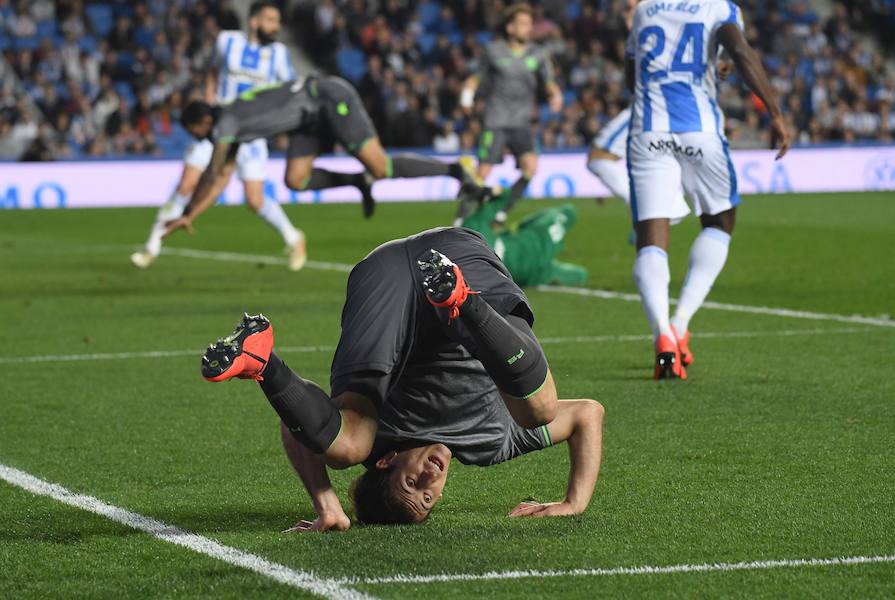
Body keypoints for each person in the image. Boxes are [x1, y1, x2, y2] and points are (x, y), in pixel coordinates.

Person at [198, 229, 605, 529]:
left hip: (393, 272)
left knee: (347, 444)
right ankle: (461, 303)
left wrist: (328, 506)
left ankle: (263, 362)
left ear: (387, 460)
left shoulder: (374, 436)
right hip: (427, 261)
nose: (430, 479)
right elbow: (589, 413)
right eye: (428, 497)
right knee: (540, 408)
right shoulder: (490, 445)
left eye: (412, 482)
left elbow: (296, 430)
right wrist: (574, 502)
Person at [625, 0, 790, 379]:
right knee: (720, 220)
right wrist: (776, 113)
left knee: (651, 234)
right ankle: (680, 324)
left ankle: (661, 334)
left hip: (648, 131)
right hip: (698, 130)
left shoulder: (644, 10)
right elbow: (741, 52)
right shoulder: (719, 8)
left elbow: (630, 78)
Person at [164, 78, 479, 243]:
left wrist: (189, 211)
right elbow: (220, 176)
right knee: (295, 180)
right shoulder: (231, 119)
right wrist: (191, 215)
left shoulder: (225, 123)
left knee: (381, 167)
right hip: (308, 120)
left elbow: (214, 172)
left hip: (328, 97)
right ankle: (357, 181)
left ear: (202, 123)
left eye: (197, 133)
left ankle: (455, 168)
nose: (201, 139)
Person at [131, 1, 306, 271]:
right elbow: (213, 68)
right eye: (271, 20)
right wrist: (210, 93)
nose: (276, 26)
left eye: (278, 21)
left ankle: (294, 238)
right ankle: (151, 245)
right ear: (255, 21)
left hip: (252, 134)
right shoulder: (227, 41)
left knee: (254, 200)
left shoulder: (280, 54)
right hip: (217, 129)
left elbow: (290, 92)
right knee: (187, 183)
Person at [459, 3, 563, 225]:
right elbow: (475, 78)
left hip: (521, 122)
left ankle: (502, 212)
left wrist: (556, 96)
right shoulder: (493, 51)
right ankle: (460, 219)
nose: (528, 28)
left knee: (531, 167)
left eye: (529, 24)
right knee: (482, 173)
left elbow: (549, 82)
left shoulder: (538, 53)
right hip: (496, 120)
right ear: (510, 28)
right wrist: (467, 97)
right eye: (523, 24)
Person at [460, 187, 587, 287]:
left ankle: (551, 273)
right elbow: (505, 194)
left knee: (579, 274)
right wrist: (489, 190)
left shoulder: (467, 241)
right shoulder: (475, 224)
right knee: (567, 212)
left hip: (522, 277)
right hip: (532, 246)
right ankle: (522, 227)